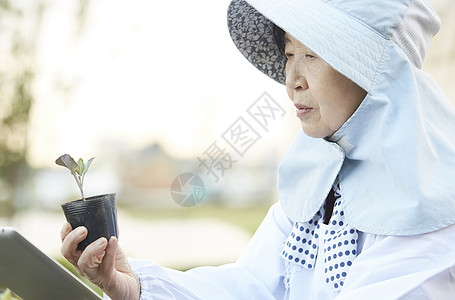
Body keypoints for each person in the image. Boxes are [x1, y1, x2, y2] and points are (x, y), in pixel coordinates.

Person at [60, 0, 455, 299]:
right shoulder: (316, 179)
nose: (292, 80)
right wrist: (136, 285)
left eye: (312, 55)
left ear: (378, 74)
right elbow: (252, 284)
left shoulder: (426, 202)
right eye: (288, 54)